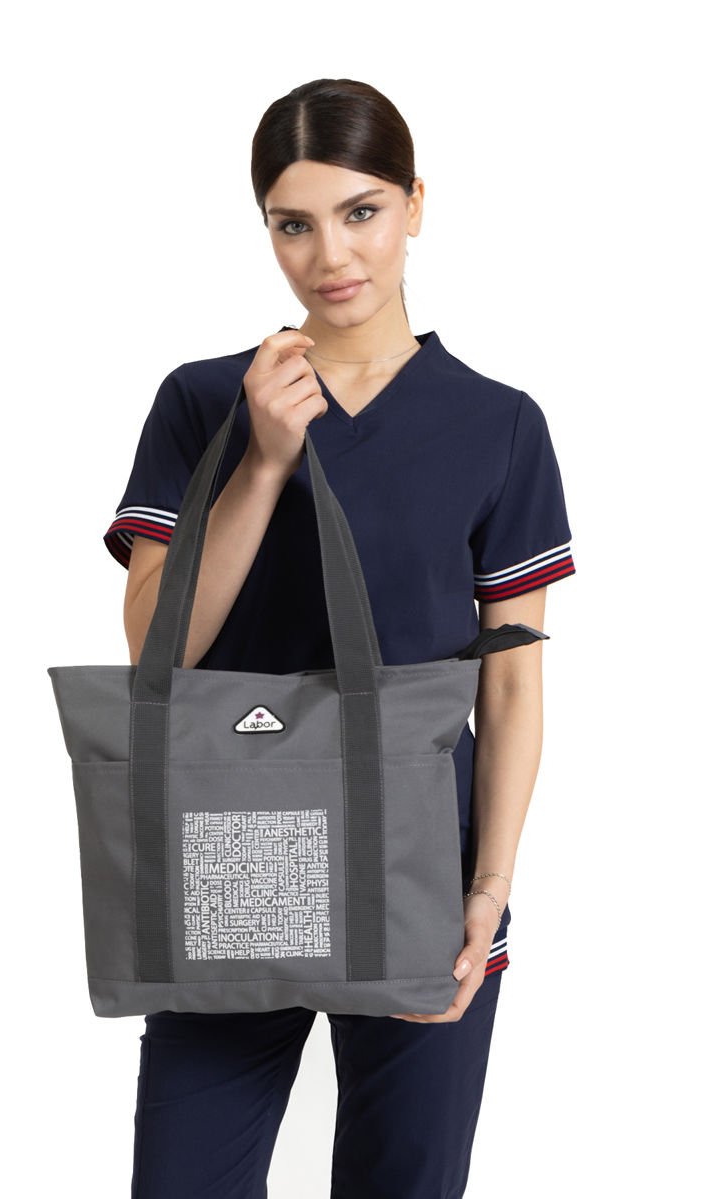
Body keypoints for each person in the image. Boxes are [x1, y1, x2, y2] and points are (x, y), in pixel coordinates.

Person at [104, 78, 575, 1199]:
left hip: (421, 873)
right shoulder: (205, 400)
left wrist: (488, 885)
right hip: (229, 857)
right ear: (265, 229)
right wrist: (263, 461)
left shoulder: (499, 424)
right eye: (294, 223)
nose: (331, 255)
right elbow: (156, 650)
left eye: (361, 211)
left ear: (415, 204)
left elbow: (511, 684)